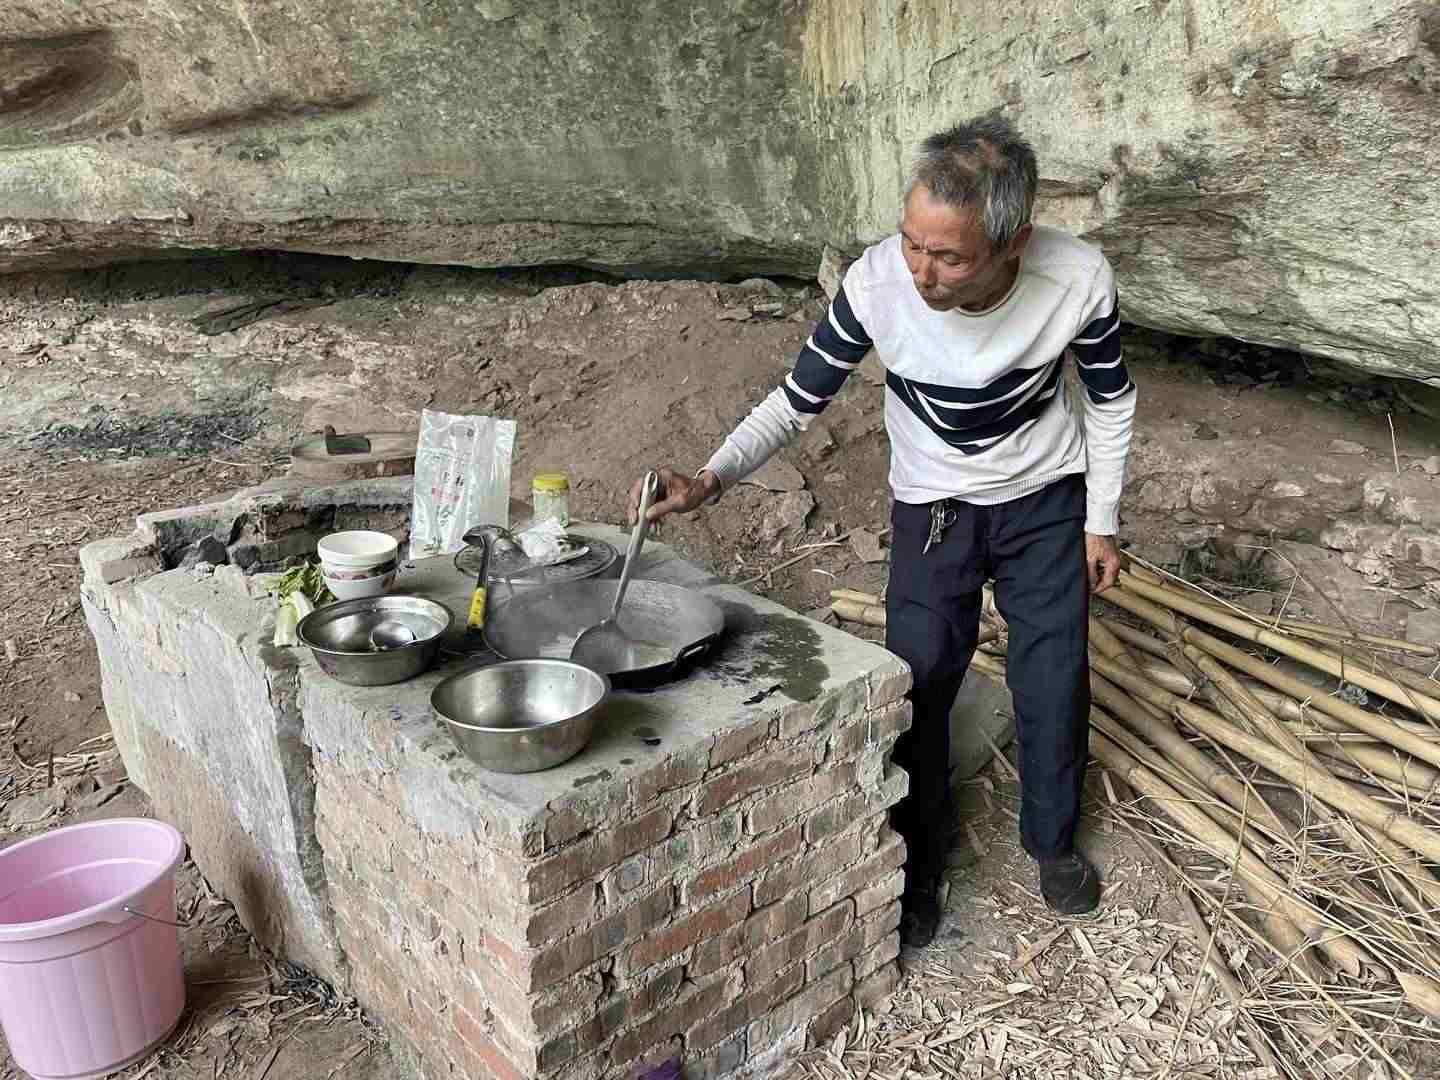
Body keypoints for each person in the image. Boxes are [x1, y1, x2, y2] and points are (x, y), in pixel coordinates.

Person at [629, 112, 1137, 947]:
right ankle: (922, 857)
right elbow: (796, 401)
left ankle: (1051, 844)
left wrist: (1101, 520)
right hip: (933, 509)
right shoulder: (876, 283)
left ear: (1013, 243)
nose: (921, 272)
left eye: (948, 257)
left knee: (1052, 679)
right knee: (920, 679)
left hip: (1045, 498)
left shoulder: (1076, 278)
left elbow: (1111, 400)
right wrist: (711, 477)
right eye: (912, 243)